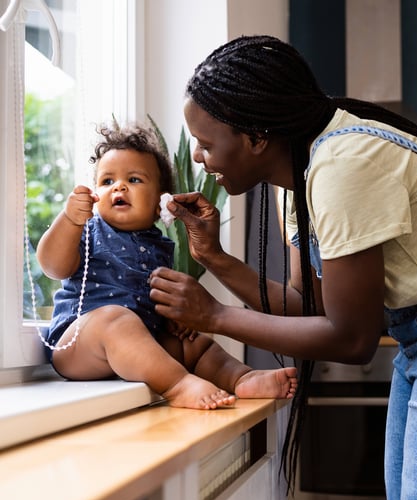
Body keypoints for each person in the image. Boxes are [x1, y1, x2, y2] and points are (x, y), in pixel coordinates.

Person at [148, 35, 417, 500]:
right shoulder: (301, 176)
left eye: (206, 142)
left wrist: (214, 316)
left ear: (255, 136)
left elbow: (351, 339)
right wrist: (214, 258)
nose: (200, 158)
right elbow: (308, 307)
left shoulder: (342, 164)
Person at [36, 122, 297, 410]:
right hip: (80, 345)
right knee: (114, 319)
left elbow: (155, 298)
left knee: (196, 345)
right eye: (107, 181)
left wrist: (174, 318)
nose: (119, 186)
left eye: (134, 180)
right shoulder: (87, 230)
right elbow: (53, 266)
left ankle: (241, 378)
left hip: (138, 347)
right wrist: (69, 220)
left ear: (161, 201)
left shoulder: (159, 246)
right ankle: (178, 385)